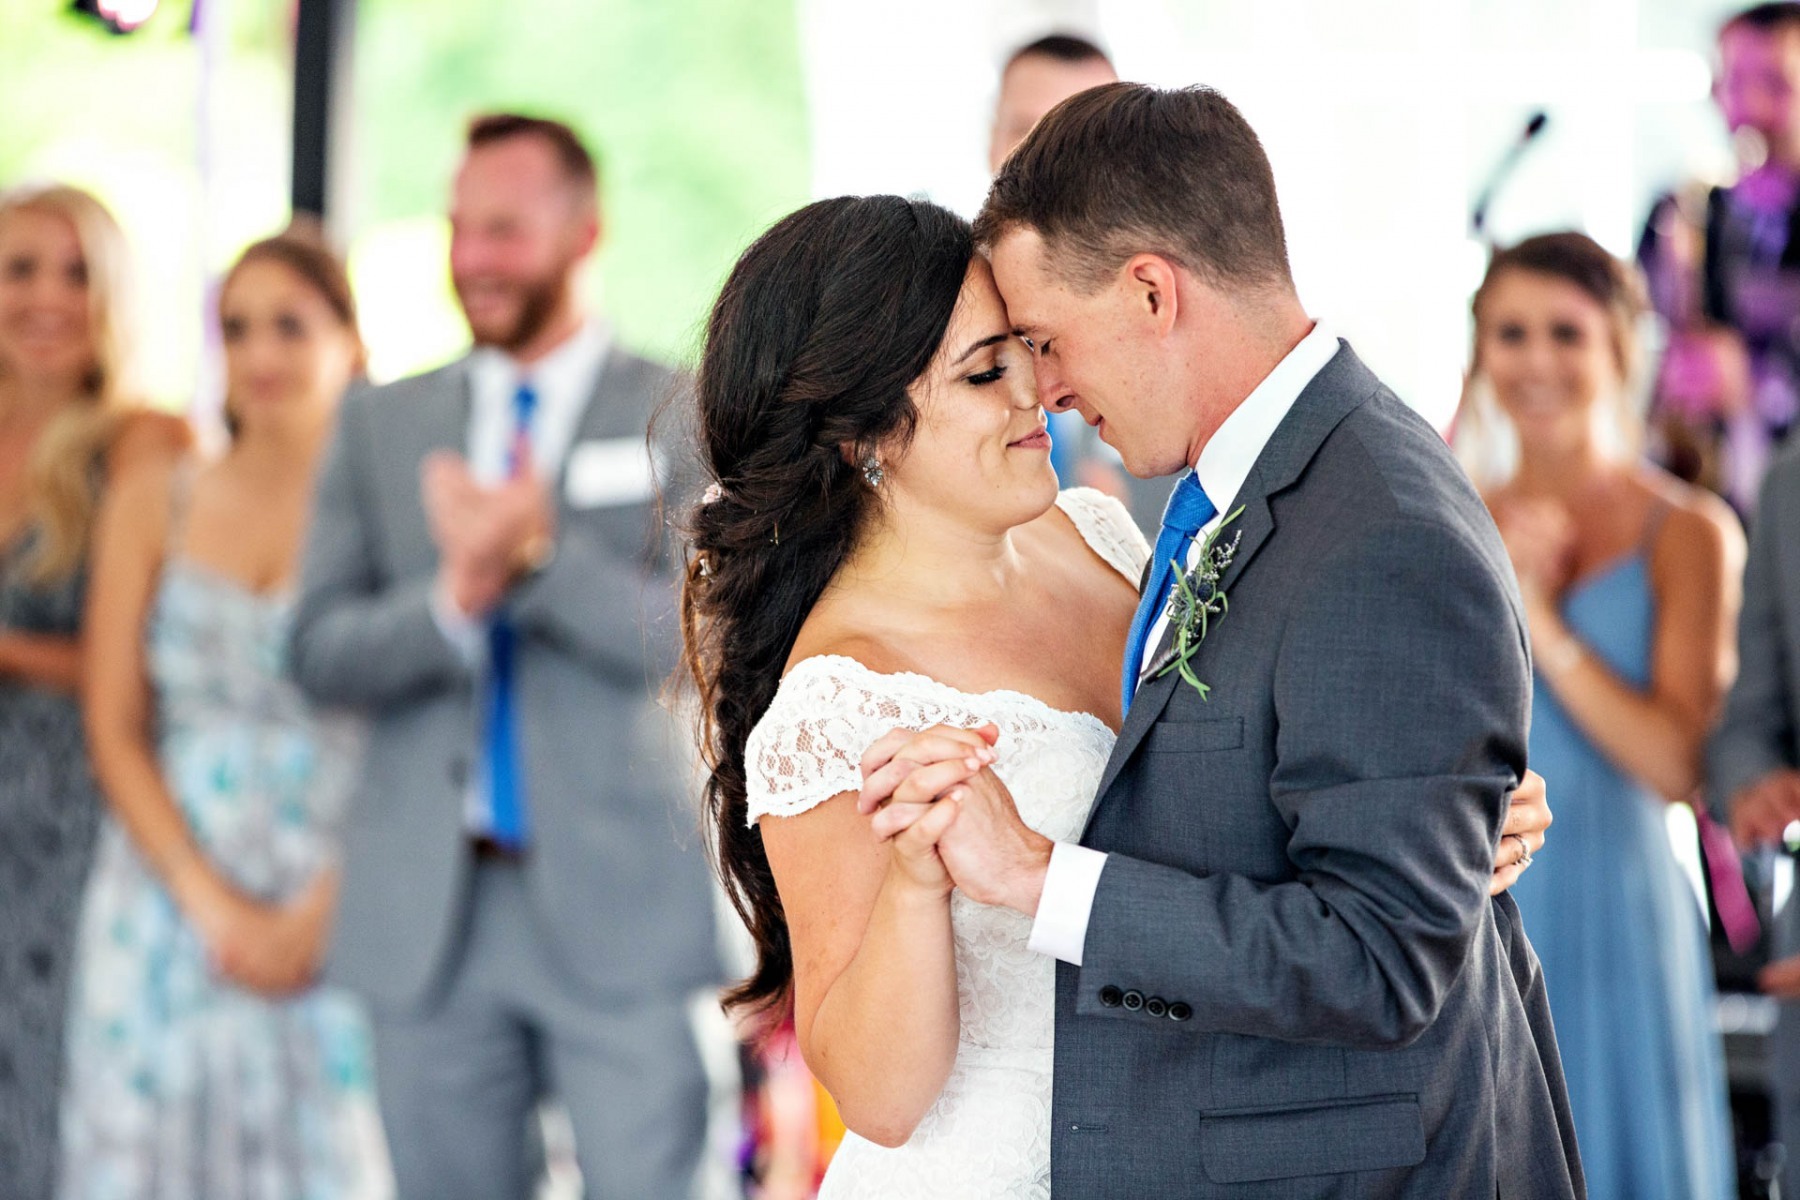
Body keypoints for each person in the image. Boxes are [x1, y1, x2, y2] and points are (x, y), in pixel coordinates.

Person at [684, 193, 1555, 1200]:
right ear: (861, 436)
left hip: (1190, 1140)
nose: (1040, 394)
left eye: (1032, 350)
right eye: (986, 373)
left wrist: (1420, 814)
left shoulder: (1096, 538)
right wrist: (920, 885)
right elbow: (881, 1101)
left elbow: (1228, 783)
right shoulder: (838, 699)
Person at [289, 113, 719, 1199]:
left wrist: (538, 561)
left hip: (621, 902)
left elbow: (702, 639)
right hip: (427, 915)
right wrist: (450, 605)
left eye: (505, 229)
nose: (472, 258)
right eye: (458, 228)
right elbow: (314, 651)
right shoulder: (381, 423)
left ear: (584, 234)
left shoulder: (683, 409)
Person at [59, 229, 380, 1198]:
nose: (261, 354)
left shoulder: (392, 509)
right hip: (165, 902)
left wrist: (316, 914)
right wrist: (213, 906)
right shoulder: (159, 496)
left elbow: (418, 730)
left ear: (353, 347)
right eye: (236, 329)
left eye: (291, 325)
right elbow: (113, 724)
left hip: (343, 899)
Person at [1462, 232, 1741, 1200]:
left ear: (1620, 349)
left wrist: (1541, 621)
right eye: (1510, 332)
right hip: (1492, 903)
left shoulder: (1690, 532)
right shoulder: (1456, 523)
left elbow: (1676, 763)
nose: (1536, 360)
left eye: (1564, 333)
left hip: (1626, 912)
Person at [0, 183, 185, 1200]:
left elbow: (165, 672)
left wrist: (18, 656)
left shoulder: (143, 445)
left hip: (77, 820)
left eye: (76, 273)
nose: (47, 297)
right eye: (21, 268)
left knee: (56, 1095)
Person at [986, 33, 1169, 533]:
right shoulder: (943, 309)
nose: (1045, 162)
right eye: (1026, 134)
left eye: (1079, 140)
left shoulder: (1184, 307)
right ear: (991, 138)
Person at [1639, 2, 1800, 514]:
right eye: (1733, 84)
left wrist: (1747, 386)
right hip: (1703, 497)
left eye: (1776, 85)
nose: (1749, 109)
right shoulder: (1686, 210)